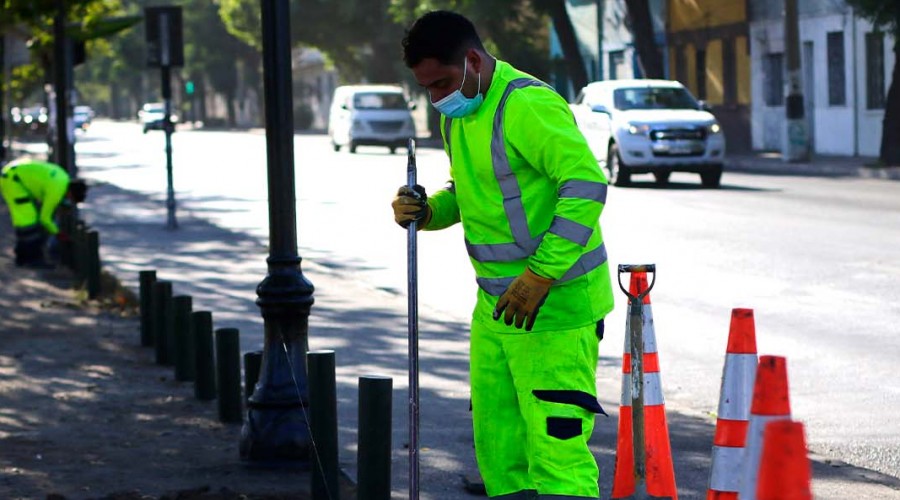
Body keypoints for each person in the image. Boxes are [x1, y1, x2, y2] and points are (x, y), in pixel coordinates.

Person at [392, 10, 614, 499]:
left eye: (442, 83)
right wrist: (428, 211)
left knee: (557, 458)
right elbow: (471, 193)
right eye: (427, 88)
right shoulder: (463, 116)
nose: (436, 98)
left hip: (555, 308)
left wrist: (540, 275)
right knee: (499, 450)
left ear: (473, 60)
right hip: (497, 310)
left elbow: (585, 185)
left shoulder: (526, 104)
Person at [0, 157, 86, 267]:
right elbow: (45, 218)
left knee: (24, 221)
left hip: (13, 174)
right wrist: (58, 233)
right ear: (70, 193)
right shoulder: (56, 191)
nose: (69, 201)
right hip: (13, 181)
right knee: (28, 222)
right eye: (71, 199)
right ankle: (34, 259)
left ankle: (22, 257)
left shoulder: (63, 178)